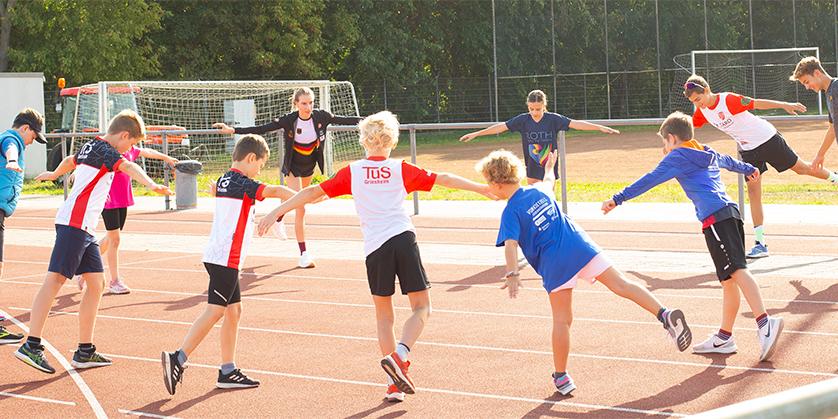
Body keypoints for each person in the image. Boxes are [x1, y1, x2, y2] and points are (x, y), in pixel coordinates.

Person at [255, 111, 495, 402]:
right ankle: (400, 356)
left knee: (384, 316)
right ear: (392, 141)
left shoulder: (353, 172)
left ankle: (394, 384)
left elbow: (311, 193)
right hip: (403, 239)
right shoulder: (400, 168)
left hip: (375, 248)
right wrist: (482, 189)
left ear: (363, 141)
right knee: (422, 307)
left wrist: (275, 211)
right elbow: (443, 178)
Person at [478, 149, 691, 396]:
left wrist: (513, 273)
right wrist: (549, 169)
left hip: (555, 262)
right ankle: (664, 314)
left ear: (497, 183)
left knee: (562, 320)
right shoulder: (537, 190)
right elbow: (549, 181)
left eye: (488, 184)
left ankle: (561, 376)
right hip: (579, 244)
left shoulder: (510, 211)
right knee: (622, 284)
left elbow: (511, 244)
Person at [603, 111, 783, 361]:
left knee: (738, 270)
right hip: (730, 214)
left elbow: (650, 180)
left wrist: (617, 198)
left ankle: (765, 324)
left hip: (716, 218)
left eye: (664, 142)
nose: (664, 147)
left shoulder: (677, 156)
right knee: (728, 280)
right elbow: (727, 160)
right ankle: (724, 338)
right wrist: (748, 168)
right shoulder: (704, 149)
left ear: (671, 138)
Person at [14, 110, 173, 374]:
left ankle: (84, 350)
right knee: (54, 281)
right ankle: (31, 345)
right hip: (74, 224)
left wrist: (54, 174)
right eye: (132, 144)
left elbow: (70, 160)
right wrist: (152, 185)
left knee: (96, 284)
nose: (130, 150)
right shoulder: (107, 151)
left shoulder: (92, 145)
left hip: (85, 227)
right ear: (124, 135)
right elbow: (129, 166)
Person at [162, 134, 296, 395]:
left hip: (220, 256)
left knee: (234, 312)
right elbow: (277, 191)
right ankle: (178, 357)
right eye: (260, 165)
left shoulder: (226, 178)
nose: (260, 171)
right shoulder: (243, 183)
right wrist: (306, 197)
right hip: (225, 258)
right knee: (215, 311)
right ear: (250, 158)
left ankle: (227, 370)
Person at [683, 74, 838, 258]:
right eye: (694, 102)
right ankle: (760, 244)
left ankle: (834, 178)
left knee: (802, 169)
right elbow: (688, 126)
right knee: (753, 191)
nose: (698, 104)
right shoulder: (702, 112)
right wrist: (674, 135)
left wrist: (785, 105)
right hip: (748, 151)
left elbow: (757, 103)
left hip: (768, 139)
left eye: (699, 99)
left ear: (707, 90)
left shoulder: (729, 100)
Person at [213, 87, 362, 269]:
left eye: (311, 103)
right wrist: (233, 130)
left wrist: (375, 120)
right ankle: (303, 254)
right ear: (296, 103)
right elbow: (262, 128)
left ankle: (279, 217)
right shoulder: (289, 120)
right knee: (301, 207)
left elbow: (347, 119)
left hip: (309, 166)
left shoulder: (321, 116)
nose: (308, 107)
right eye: (304, 103)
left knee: (299, 200)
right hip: (293, 167)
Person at [459, 89, 620, 184]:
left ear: (544, 106)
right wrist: (477, 133)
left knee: (549, 199)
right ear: (528, 106)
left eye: (538, 109)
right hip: (532, 167)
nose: (535, 112)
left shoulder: (553, 119)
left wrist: (599, 127)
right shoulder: (523, 120)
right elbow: (501, 127)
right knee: (534, 200)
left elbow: (576, 123)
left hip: (549, 165)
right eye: (531, 109)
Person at [88, 145, 178, 295]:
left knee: (112, 237)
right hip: (108, 199)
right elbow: (88, 162)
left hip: (122, 199)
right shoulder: (109, 150)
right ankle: (114, 281)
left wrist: (166, 157)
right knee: (115, 239)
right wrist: (76, 172)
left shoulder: (130, 148)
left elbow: (147, 152)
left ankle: (85, 265)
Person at [0, 108, 47, 345]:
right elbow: (10, 149)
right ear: (25, 128)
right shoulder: (12, 140)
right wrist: (11, 160)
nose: (31, 143)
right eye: (33, 137)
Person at [789, 56, 838, 174]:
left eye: (807, 82)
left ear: (817, 73)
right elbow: (832, 128)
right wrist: (820, 155)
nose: (807, 87)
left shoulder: (836, 87)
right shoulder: (829, 93)